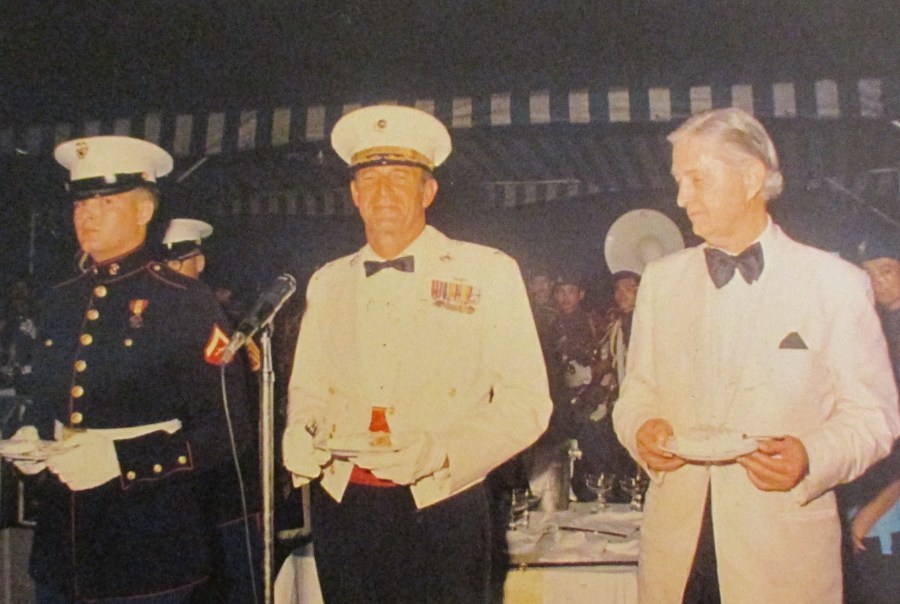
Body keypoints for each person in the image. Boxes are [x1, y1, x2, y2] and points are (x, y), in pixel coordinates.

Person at [612, 108, 900, 603]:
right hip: (675, 561)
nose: (682, 199)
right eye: (679, 181)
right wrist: (641, 429)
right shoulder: (661, 280)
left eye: (696, 179)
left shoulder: (834, 284)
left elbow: (875, 417)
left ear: (750, 178)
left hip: (782, 562)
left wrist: (810, 458)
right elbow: (635, 394)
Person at [281, 105, 551, 603]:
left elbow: (527, 402)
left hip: (443, 504)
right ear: (354, 194)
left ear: (428, 191)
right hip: (343, 510)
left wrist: (445, 453)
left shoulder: (486, 271)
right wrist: (301, 429)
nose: (384, 193)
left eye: (400, 178)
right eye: (370, 179)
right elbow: (309, 389)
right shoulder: (328, 281)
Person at [8, 136, 252, 603]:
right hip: (63, 550)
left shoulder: (184, 302)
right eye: (82, 203)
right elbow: (48, 400)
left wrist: (123, 460)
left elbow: (227, 430)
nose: (88, 215)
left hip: (148, 552)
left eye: (106, 201)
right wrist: (31, 437)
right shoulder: (60, 299)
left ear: (143, 211)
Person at [837, 233, 900, 604]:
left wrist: (874, 509)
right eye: (869, 273)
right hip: (867, 494)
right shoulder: (875, 329)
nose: (877, 282)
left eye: (887, 270)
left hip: (888, 508)